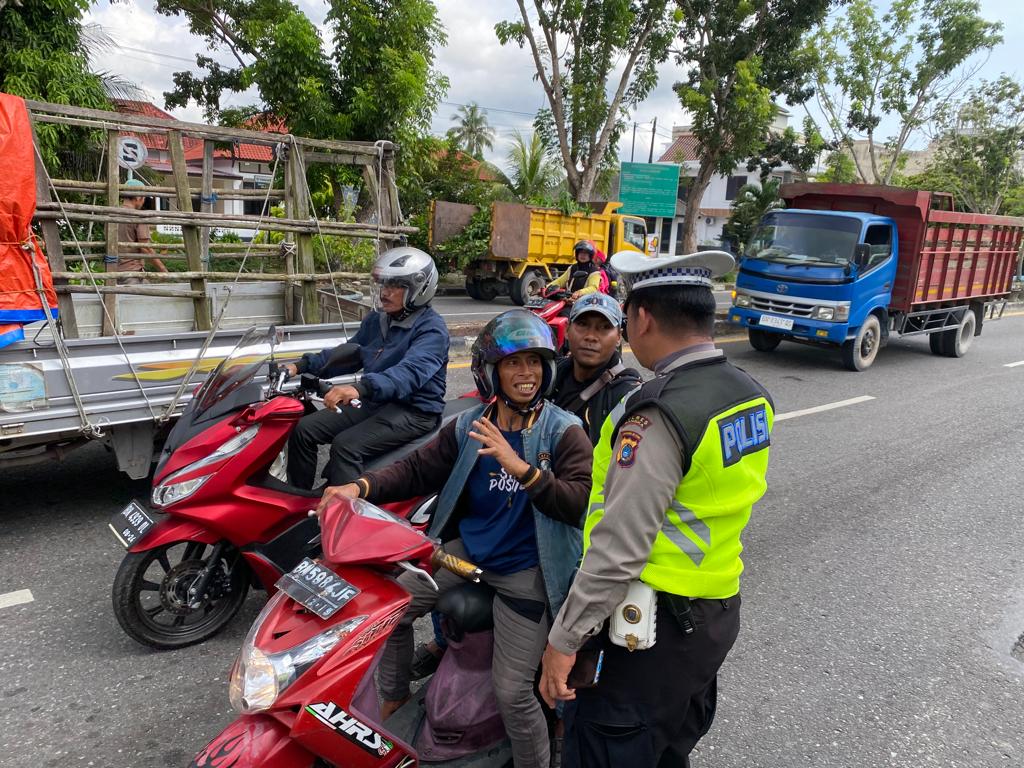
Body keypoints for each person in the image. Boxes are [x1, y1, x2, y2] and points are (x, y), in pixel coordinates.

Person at [317, 310, 593, 768]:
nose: (526, 373)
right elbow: (418, 468)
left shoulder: (563, 431)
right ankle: (394, 706)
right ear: (492, 371)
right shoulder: (470, 426)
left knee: (513, 694)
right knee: (387, 613)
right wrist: (358, 487)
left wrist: (523, 470)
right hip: (468, 555)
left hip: (526, 570)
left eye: (534, 363)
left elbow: (576, 503)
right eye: (513, 363)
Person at [538, 249, 775, 768]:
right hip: (714, 613)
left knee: (607, 747)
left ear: (642, 317)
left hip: (651, 633)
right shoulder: (749, 394)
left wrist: (564, 640)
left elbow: (619, 548)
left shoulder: (661, 414)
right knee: (667, 748)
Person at [410, 292, 641, 680]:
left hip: (586, 518)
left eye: (604, 328)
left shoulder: (627, 397)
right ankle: (450, 642)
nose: (591, 336)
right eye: (583, 324)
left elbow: (595, 488)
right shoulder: (552, 371)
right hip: (518, 511)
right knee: (440, 547)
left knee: (581, 638)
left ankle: (568, 704)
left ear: (619, 335)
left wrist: (525, 468)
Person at [285, 246, 449, 489]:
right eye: (383, 285)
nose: (385, 293)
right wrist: (300, 366)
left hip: (414, 411)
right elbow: (350, 352)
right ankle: (298, 500)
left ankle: (346, 517)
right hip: (377, 402)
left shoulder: (432, 330)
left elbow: (409, 373)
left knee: (346, 446)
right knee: (302, 430)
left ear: (419, 288)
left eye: (395, 286)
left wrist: (358, 388)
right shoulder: (378, 320)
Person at [115, 178, 169, 284]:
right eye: (144, 198)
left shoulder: (111, 214)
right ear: (138, 197)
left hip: (112, 272)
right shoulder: (138, 216)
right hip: (132, 273)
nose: (144, 201)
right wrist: (163, 270)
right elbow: (145, 247)